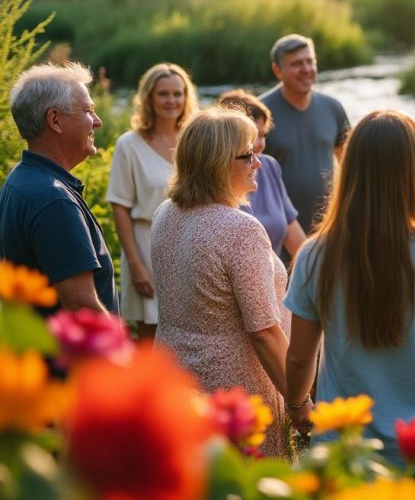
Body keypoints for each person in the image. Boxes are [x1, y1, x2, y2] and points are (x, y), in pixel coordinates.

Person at [284, 111, 415, 466]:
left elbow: (299, 356)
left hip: (350, 449)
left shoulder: (314, 255)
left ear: (351, 169)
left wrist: (297, 405)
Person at [151, 106, 290, 457]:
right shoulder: (239, 230)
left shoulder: (166, 211)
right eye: (247, 156)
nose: (258, 163)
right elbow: (263, 330)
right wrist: (300, 400)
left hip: (174, 377)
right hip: (233, 392)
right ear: (216, 163)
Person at [0, 63, 116, 315]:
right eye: (88, 111)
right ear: (55, 120)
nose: (98, 121)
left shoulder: (21, 179)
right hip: (69, 355)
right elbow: (82, 308)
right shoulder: (53, 199)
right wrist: (121, 351)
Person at [107, 63, 198, 341]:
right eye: (163, 94)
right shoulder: (129, 144)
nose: (172, 101)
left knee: (192, 337)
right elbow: (119, 206)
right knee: (152, 340)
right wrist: (136, 267)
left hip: (190, 245)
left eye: (178, 93)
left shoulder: (193, 139)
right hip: (147, 247)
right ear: (149, 98)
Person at [260, 34, 350, 232]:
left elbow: (348, 164)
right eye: (297, 64)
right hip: (278, 232)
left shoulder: (333, 108)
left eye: (310, 61)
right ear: (277, 70)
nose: (307, 69)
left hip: (328, 228)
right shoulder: (259, 113)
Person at [219, 90, 306, 258]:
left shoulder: (269, 166)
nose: (259, 144)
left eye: (263, 135)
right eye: (252, 137)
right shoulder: (215, 182)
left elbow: (296, 241)